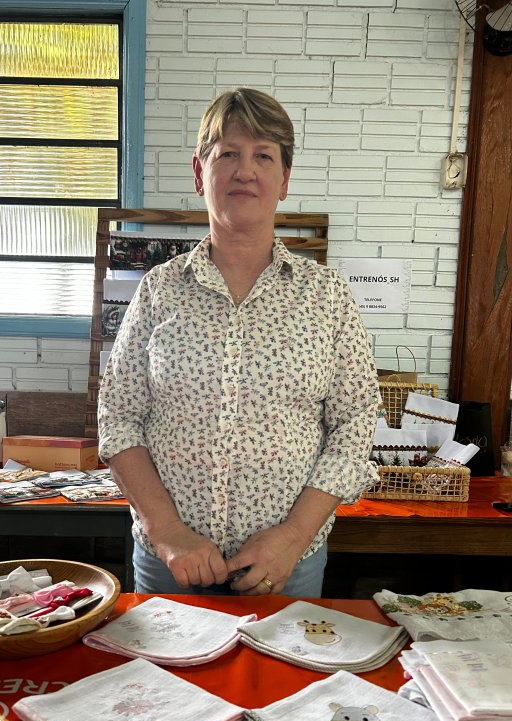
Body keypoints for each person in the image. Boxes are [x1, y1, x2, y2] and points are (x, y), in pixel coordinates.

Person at [98, 87, 379, 597]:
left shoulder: (327, 296)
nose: (245, 171)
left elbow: (355, 421)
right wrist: (167, 530)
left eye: (263, 156)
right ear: (199, 172)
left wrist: (292, 537)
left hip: (287, 568)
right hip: (169, 566)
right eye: (228, 153)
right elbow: (118, 416)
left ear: (284, 179)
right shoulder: (159, 290)